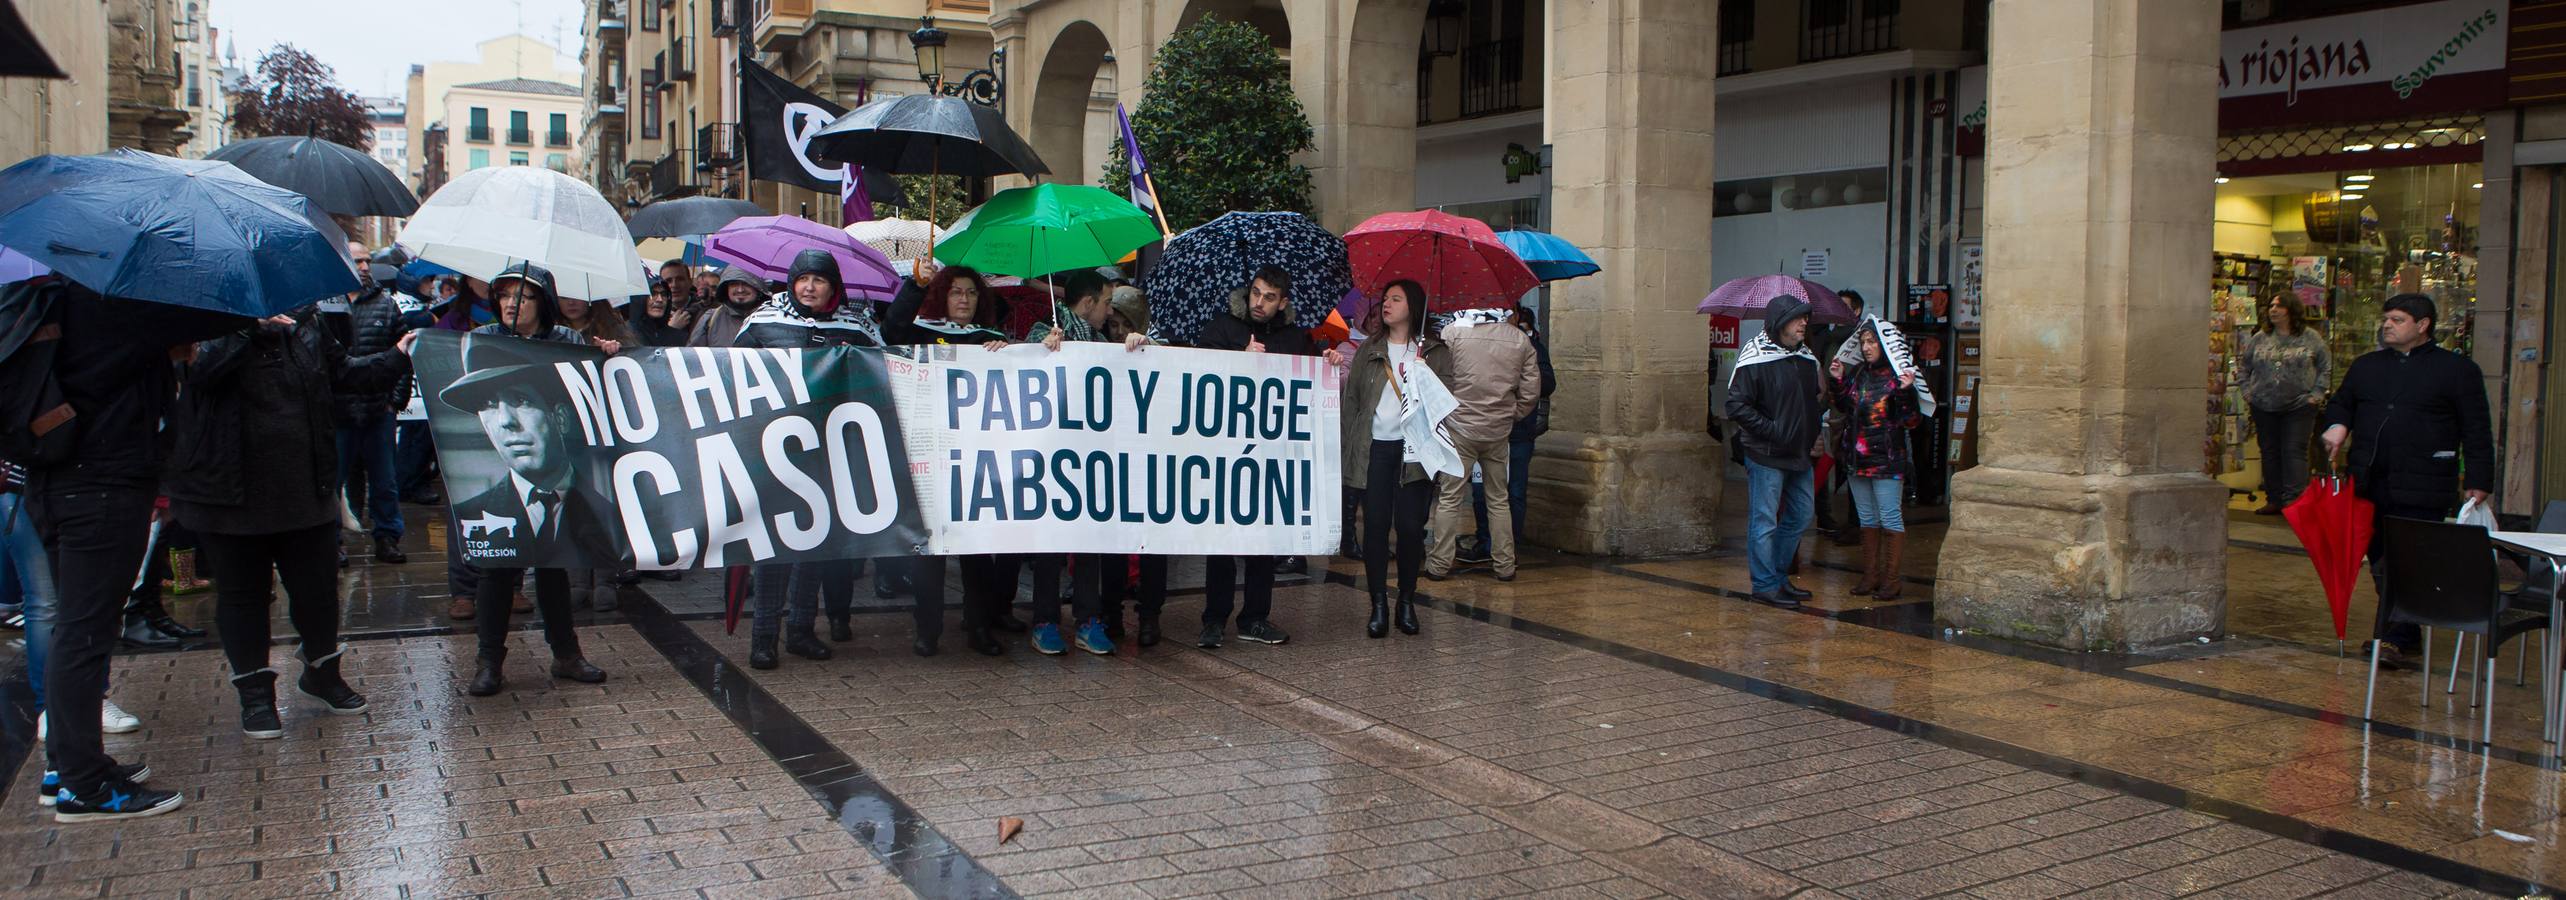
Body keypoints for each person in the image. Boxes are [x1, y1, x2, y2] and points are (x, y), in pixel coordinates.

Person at [20, 275, 248, 821]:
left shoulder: (52, 294)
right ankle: (84, 786)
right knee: (86, 630)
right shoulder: (115, 303)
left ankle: (66, 766)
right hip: (103, 486)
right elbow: (223, 313)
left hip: (56, 481)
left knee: (75, 625)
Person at [169, 306, 412, 738]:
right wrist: (248, 328)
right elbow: (199, 373)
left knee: (318, 593)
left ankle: (322, 674)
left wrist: (397, 354)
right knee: (244, 597)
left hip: (305, 488)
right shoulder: (204, 318)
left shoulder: (307, 321)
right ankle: (256, 695)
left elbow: (346, 374)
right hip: (230, 495)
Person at [440, 264, 615, 696]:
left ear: (545, 303)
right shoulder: (483, 340)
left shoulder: (567, 342)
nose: (511, 304)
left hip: (565, 482)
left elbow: (598, 393)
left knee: (554, 567)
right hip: (510, 499)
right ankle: (489, 660)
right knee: (496, 571)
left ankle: (566, 654)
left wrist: (608, 358)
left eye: (524, 296)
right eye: (503, 296)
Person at [733, 249, 912, 664]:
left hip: (832, 452)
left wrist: (915, 289)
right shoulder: (762, 323)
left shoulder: (855, 326)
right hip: (775, 451)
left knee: (816, 545)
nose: (809, 287)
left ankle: (800, 629)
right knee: (776, 547)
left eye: (819, 280)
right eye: (802, 279)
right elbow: (728, 376)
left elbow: (887, 364)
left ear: (835, 287)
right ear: (791, 283)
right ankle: (763, 637)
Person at [2322, 293, 2493, 669]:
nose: (2387, 325)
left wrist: (2479, 480)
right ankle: (2405, 630)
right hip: (2371, 478)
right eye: (2386, 319)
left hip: (2424, 480)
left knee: (2410, 559)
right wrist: (2337, 426)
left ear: (2423, 325)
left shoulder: (2457, 370)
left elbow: (2477, 428)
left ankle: (2394, 636)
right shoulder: (2367, 366)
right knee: (2381, 559)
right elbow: (2342, 402)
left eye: (2397, 319)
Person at [882, 262, 1022, 656]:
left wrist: (1012, 354)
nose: (964, 299)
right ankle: (927, 629)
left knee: (978, 552)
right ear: (942, 296)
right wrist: (914, 285)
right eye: (956, 292)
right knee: (931, 554)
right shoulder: (921, 331)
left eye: (972, 292)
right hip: (930, 455)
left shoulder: (992, 340)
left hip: (977, 459)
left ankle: (979, 627)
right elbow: (891, 331)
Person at [1182, 265, 1318, 649]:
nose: (1259, 302)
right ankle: (1213, 619)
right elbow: (1196, 371)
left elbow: (1309, 384)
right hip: (1224, 453)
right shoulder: (1222, 327)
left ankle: (1255, 617)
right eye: (1255, 293)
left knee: (1264, 541)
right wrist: (1239, 358)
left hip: (1271, 456)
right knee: (1221, 542)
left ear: (1283, 302)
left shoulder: (1294, 338)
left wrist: (1328, 363)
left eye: (1269, 297)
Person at [1023, 272, 1150, 656]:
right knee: (1048, 543)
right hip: (1050, 457)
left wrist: (1138, 345)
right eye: (1108, 303)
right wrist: (1040, 351)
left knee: (1088, 540)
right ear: (1089, 302)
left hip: (1090, 459)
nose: (1110, 311)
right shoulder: (1045, 331)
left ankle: (1087, 619)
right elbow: (1020, 368)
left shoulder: (1099, 342)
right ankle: (1045, 621)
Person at [1342, 281, 1450, 638]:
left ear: (1413, 306)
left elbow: (1445, 403)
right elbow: (1354, 403)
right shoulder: (1369, 349)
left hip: (1414, 452)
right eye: (1385, 298)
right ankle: (1377, 604)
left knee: (1408, 529)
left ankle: (1406, 599)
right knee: (1374, 528)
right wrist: (1349, 449)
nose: (1386, 304)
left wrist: (1422, 376)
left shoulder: (1434, 352)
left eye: (1396, 299)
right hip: (1376, 448)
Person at [1422, 303, 1540, 582]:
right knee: (1498, 499)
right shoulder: (1518, 339)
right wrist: (1511, 415)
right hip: (1498, 431)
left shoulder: (1452, 334)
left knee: (1450, 498)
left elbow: (1436, 377)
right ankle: (1505, 565)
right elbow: (1531, 390)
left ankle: (1439, 564)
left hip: (1459, 428)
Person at [1724, 296, 1823, 609]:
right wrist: (1774, 430)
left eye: (1806, 318)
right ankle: (1765, 584)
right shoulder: (1755, 358)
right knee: (1764, 520)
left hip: (1798, 453)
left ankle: (1778, 577)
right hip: (1766, 452)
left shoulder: (1807, 359)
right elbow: (1736, 406)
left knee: (1801, 514)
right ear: (1779, 323)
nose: (1804, 324)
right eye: (1797, 319)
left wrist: (1813, 430)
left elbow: (1814, 401)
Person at [1827, 317, 1928, 600]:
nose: (1867, 347)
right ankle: (1870, 575)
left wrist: (1907, 392)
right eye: (1864, 342)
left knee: (1890, 518)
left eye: (1872, 342)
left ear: (1885, 345)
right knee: (1867, 519)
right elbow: (1846, 405)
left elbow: (1912, 421)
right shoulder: (1859, 373)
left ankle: (1891, 580)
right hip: (1857, 459)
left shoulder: (1899, 376)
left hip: (1887, 459)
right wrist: (1837, 381)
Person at [332, 255, 415, 566]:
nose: (365, 266)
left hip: (378, 409)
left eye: (367, 259)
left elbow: (405, 351)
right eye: (357, 260)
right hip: (338, 413)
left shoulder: (385, 303)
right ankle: (333, 542)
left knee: (385, 480)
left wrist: (396, 400)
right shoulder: (327, 305)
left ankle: (388, 537)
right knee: (334, 480)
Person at [1463, 306, 1554, 564]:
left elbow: (1547, 383)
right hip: (1487, 429)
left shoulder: (1531, 346)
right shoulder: (1478, 342)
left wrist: (1518, 397)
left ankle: (1508, 547)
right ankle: (1485, 540)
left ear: (1515, 317)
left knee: (1513, 492)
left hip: (1517, 433)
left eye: (1506, 312)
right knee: (1481, 492)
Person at [2241, 295, 2331, 514]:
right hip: (2263, 403)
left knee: (2294, 450)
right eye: (2271, 305)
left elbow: (2325, 366)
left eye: (2279, 306)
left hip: (2300, 404)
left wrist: (2316, 394)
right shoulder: (2260, 338)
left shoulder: (2311, 337)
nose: (2273, 310)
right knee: (2270, 451)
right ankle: (2274, 498)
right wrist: (2247, 391)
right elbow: (2244, 366)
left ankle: (2295, 500)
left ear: (2291, 310)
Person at [688, 266, 765, 348]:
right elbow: (694, 356)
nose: (740, 290)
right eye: (734, 284)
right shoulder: (711, 318)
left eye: (747, 283)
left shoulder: (774, 318)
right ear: (726, 287)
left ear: (758, 287)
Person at [630, 278, 696, 347]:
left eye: (664, 294)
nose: (660, 299)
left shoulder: (680, 337)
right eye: (653, 294)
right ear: (640, 298)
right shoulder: (626, 336)